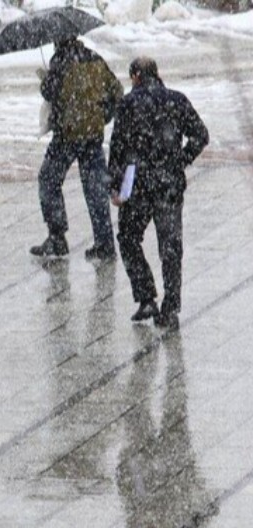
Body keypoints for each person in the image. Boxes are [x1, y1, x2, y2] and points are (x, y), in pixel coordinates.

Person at [109, 57, 209, 328]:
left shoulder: (129, 104)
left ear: (135, 77)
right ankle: (170, 307)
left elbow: (117, 148)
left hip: (139, 186)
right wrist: (180, 160)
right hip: (169, 185)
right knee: (171, 248)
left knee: (129, 238)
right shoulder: (177, 100)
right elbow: (201, 135)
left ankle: (146, 297)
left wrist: (115, 186)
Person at [30, 36, 124, 260]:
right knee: (96, 190)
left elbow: (49, 92)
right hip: (92, 134)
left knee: (48, 180)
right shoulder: (95, 59)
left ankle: (57, 237)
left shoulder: (60, 62)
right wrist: (103, 116)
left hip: (67, 135)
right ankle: (104, 243)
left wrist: (45, 79)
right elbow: (117, 91)